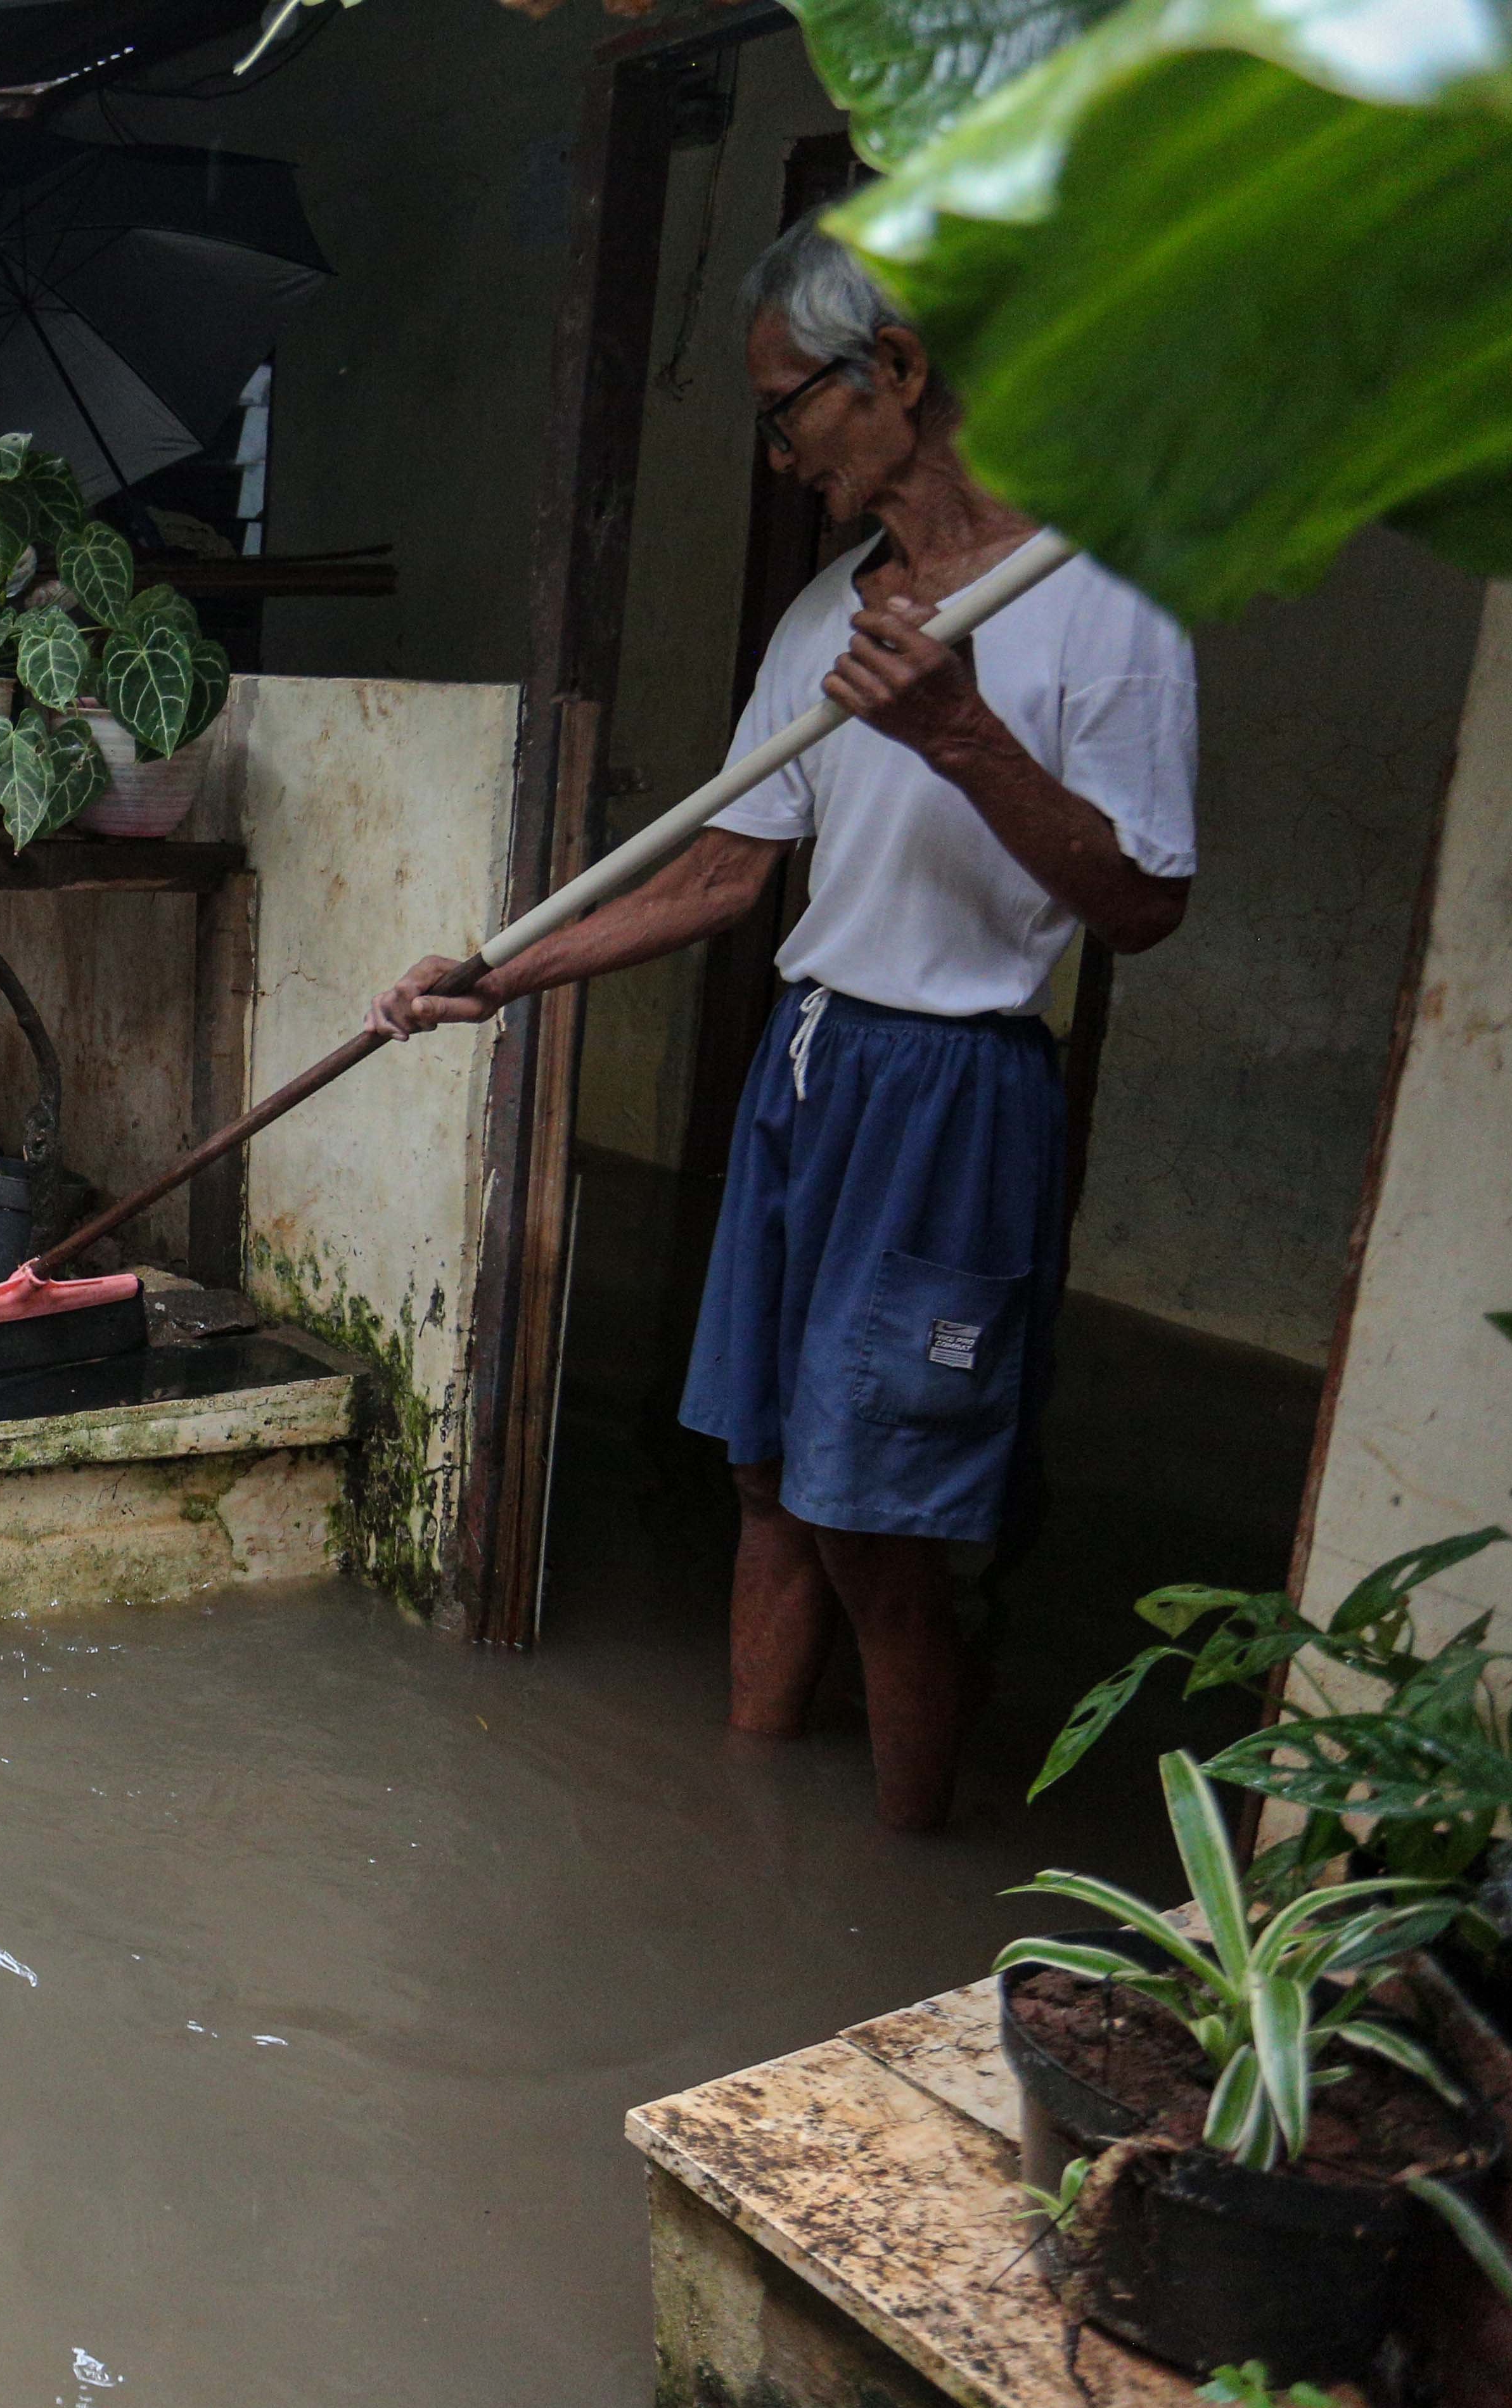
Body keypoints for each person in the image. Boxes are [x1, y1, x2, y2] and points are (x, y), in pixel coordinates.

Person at [367, 221, 1196, 1831]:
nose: (772, 452)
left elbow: (1143, 905)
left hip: (958, 1089)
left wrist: (959, 736)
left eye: (782, 407)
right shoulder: (828, 615)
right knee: (760, 1480)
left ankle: (894, 1888)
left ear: (893, 370)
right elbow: (723, 876)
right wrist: (493, 981)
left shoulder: (1103, 608)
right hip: (809, 1064)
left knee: (879, 1526)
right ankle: (753, 1853)